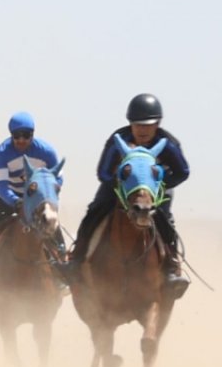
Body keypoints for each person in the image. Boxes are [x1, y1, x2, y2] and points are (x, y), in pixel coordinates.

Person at [66, 93, 191, 296]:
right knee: (95, 209)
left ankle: (170, 269)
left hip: (155, 190)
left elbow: (182, 172)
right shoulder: (118, 140)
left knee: (165, 218)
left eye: (148, 125)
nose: (142, 130)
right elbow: (103, 172)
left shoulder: (168, 143)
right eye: (138, 124)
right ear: (130, 123)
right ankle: (76, 259)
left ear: (157, 123)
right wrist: (126, 184)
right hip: (118, 186)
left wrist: (155, 185)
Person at [0, 112, 66, 253]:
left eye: (26, 135)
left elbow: (58, 179)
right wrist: (16, 201)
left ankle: (63, 258)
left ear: (32, 134)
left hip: (38, 199)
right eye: (17, 136)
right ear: (11, 135)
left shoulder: (47, 151)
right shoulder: (2, 153)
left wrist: (47, 195)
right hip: (9, 199)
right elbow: (2, 186)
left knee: (52, 224)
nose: (21, 140)